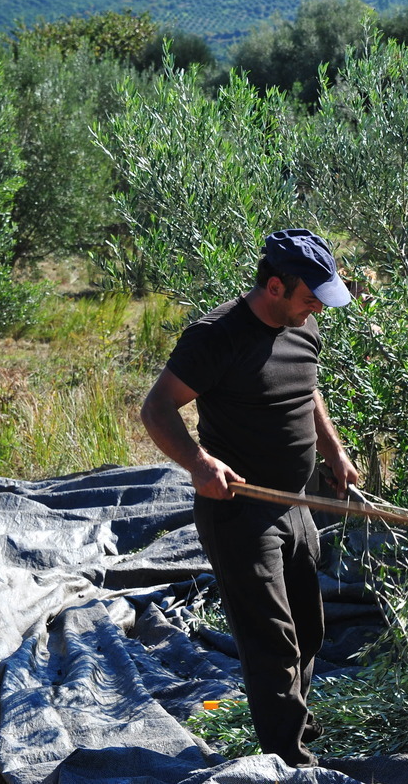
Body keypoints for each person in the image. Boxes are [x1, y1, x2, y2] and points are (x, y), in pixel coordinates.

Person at [140, 228, 360, 768]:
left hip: (297, 504)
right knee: (271, 641)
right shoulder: (216, 337)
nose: (317, 312)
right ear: (275, 286)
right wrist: (198, 463)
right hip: (239, 511)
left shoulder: (301, 326)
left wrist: (333, 453)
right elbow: (158, 407)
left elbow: (308, 391)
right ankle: (286, 759)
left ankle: (296, 727)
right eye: (309, 298)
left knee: (309, 629)